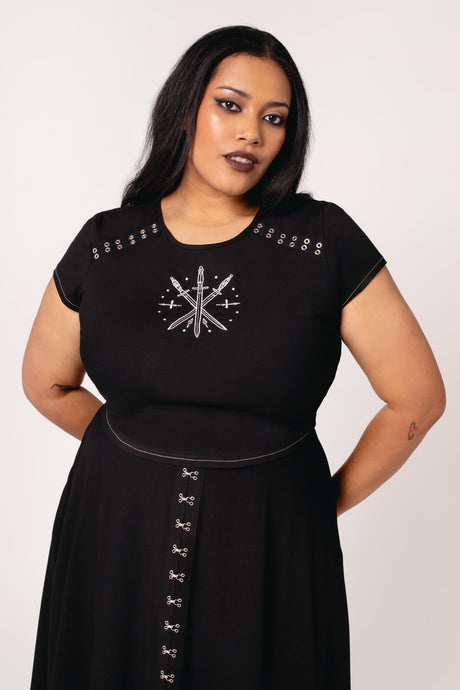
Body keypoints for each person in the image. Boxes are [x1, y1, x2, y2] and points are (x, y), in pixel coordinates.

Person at [22, 24, 446, 690]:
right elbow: (46, 384)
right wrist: (137, 461)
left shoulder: (324, 242)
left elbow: (417, 399)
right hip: (117, 535)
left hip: (270, 546)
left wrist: (310, 505)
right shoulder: (106, 243)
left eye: (274, 118)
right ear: (184, 109)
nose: (252, 132)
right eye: (230, 105)